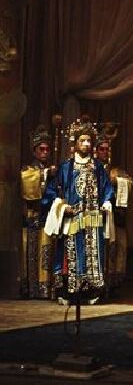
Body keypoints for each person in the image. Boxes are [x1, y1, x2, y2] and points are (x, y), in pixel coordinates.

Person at [42, 117, 114, 304]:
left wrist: (106, 203)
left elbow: (107, 189)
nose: (86, 144)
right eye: (83, 140)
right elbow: (51, 190)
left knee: (93, 254)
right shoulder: (66, 167)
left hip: (93, 218)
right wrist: (61, 205)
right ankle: (68, 292)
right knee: (70, 253)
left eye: (89, 141)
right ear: (75, 143)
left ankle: (91, 292)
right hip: (72, 217)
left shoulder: (98, 167)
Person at [94, 122, 133, 294]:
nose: (105, 152)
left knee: (116, 248)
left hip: (114, 217)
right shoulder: (91, 169)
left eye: (107, 149)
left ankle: (113, 281)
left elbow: (128, 182)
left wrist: (116, 181)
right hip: (96, 216)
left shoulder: (116, 171)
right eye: (102, 149)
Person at [20, 125, 56, 299]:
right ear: (34, 151)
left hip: (48, 216)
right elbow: (28, 185)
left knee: (46, 252)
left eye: (47, 149)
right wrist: (45, 174)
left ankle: (46, 287)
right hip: (33, 215)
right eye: (41, 149)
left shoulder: (52, 169)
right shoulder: (28, 169)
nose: (45, 152)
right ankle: (32, 288)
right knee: (32, 252)